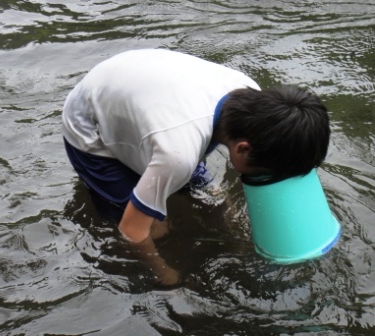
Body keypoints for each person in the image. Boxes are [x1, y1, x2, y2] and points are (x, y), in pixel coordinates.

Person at [62, 48, 330, 285]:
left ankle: (233, 243)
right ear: (243, 149)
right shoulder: (177, 153)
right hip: (91, 123)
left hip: (145, 91)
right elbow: (132, 231)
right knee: (157, 229)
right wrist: (165, 275)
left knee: (215, 201)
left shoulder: (253, 98)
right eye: (265, 174)